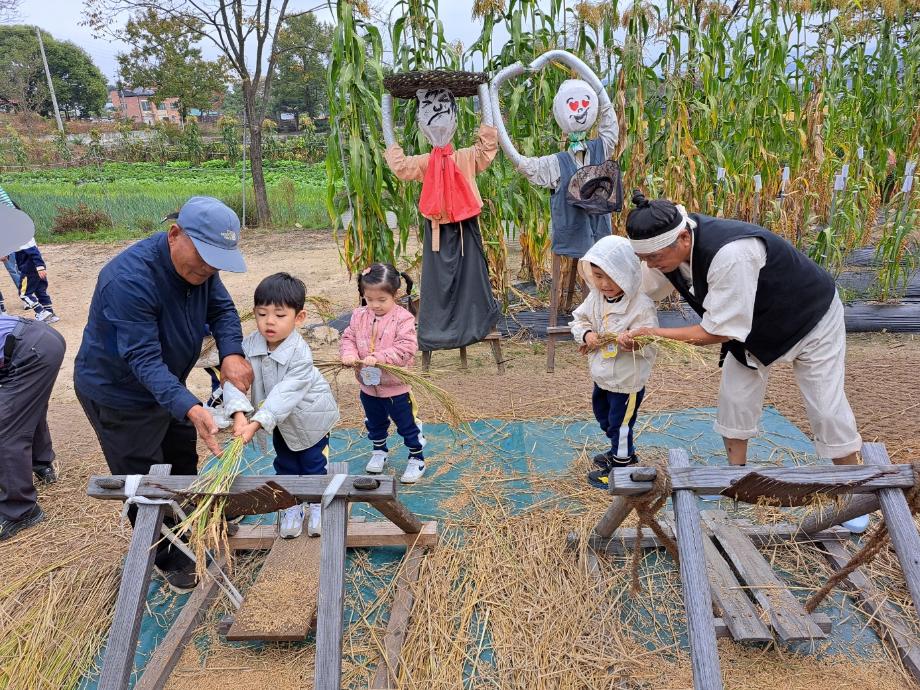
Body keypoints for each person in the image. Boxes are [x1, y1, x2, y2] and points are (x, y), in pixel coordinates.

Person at [618, 190, 868, 532]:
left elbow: (718, 330)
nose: (652, 264)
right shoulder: (666, 255)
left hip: (808, 319)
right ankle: (736, 481)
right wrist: (609, 321)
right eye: (645, 258)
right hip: (751, 329)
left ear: (684, 236)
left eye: (656, 257)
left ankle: (855, 492)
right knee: (734, 399)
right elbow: (640, 291)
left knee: (826, 407)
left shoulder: (731, 253)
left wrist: (654, 333)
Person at [74, 196, 254, 590]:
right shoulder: (130, 279)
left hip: (167, 386)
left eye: (216, 262)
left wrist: (233, 354)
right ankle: (167, 553)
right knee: (143, 479)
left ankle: (194, 518)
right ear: (175, 234)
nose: (208, 269)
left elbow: (222, 311)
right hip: (119, 394)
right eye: (204, 257)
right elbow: (142, 359)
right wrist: (189, 405)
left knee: (179, 456)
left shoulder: (202, 269)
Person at [222, 272, 340, 539]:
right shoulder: (249, 345)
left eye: (279, 315)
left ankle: (316, 504)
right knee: (285, 464)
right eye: (262, 314)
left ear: (299, 318)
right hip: (277, 422)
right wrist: (239, 412)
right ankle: (290, 506)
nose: (269, 322)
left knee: (311, 464)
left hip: (310, 419)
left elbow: (284, 395)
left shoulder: (300, 353)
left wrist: (255, 423)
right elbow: (234, 380)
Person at [570, 236, 657, 490]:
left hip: (626, 381)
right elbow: (579, 319)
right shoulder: (596, 298)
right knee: (604, 419)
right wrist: (586, 334)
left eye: (612, 277)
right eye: (598, 276)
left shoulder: (640, 305)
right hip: (603, 377)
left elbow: (650, 338)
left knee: (620, 425)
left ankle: (620, 470)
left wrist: (635, 343)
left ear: (628, 274)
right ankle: (622, 452)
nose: (604, 284)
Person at [0, 205, 66, 541]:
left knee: (5, 428)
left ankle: (20, 510)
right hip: (38, 341)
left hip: (30, 349)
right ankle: (42, 464)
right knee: (25, 407)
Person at [340, 263, 426, 483]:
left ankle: (416, 457)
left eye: (381, 300)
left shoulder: (403, 319)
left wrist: (380, 357)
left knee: (406, 424)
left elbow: (406, 348)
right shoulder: (359, 315)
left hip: (396, 387)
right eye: (369, 300)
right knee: (374, 421)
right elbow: (348, 337)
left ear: (395, 294)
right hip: (368, 386)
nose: (375, 305)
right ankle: (379, 451)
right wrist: (349, 354)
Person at [13, 238, 58, 323]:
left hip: (29, 270)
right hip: (35, 269)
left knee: (24, 294)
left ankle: (41, 312)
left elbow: (34, 252)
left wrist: (40, 267)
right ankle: (50, 314)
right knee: (40, 291)